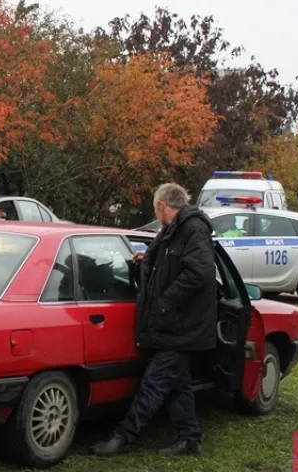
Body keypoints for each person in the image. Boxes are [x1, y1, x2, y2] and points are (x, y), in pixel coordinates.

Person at [91, 183, 216, 457]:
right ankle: (190, 438)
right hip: (173, 324)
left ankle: (123, 436)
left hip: (183, 325)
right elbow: (171, 264)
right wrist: (147, 259)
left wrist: (164, 302)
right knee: (177, 383)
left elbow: (199, 272)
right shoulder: (171, 231)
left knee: (154, 383)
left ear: (161, 206)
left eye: (154, 207)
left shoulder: (193, 229)